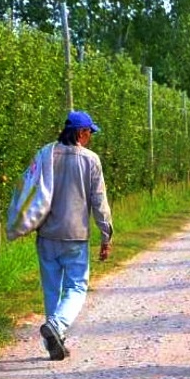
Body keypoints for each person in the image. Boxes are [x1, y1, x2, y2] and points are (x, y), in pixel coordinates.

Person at [38, 110, 113, 361]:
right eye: (89, 132)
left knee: (52, 290)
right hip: (75, 235)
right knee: (77, 287)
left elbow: (30, 190)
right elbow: (99, 200)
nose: (90, 137)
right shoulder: (90, 160)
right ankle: (57, 327)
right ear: (80, 133)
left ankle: (55, 340)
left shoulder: (45, 154)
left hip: (46, 233)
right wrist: (106, 234)